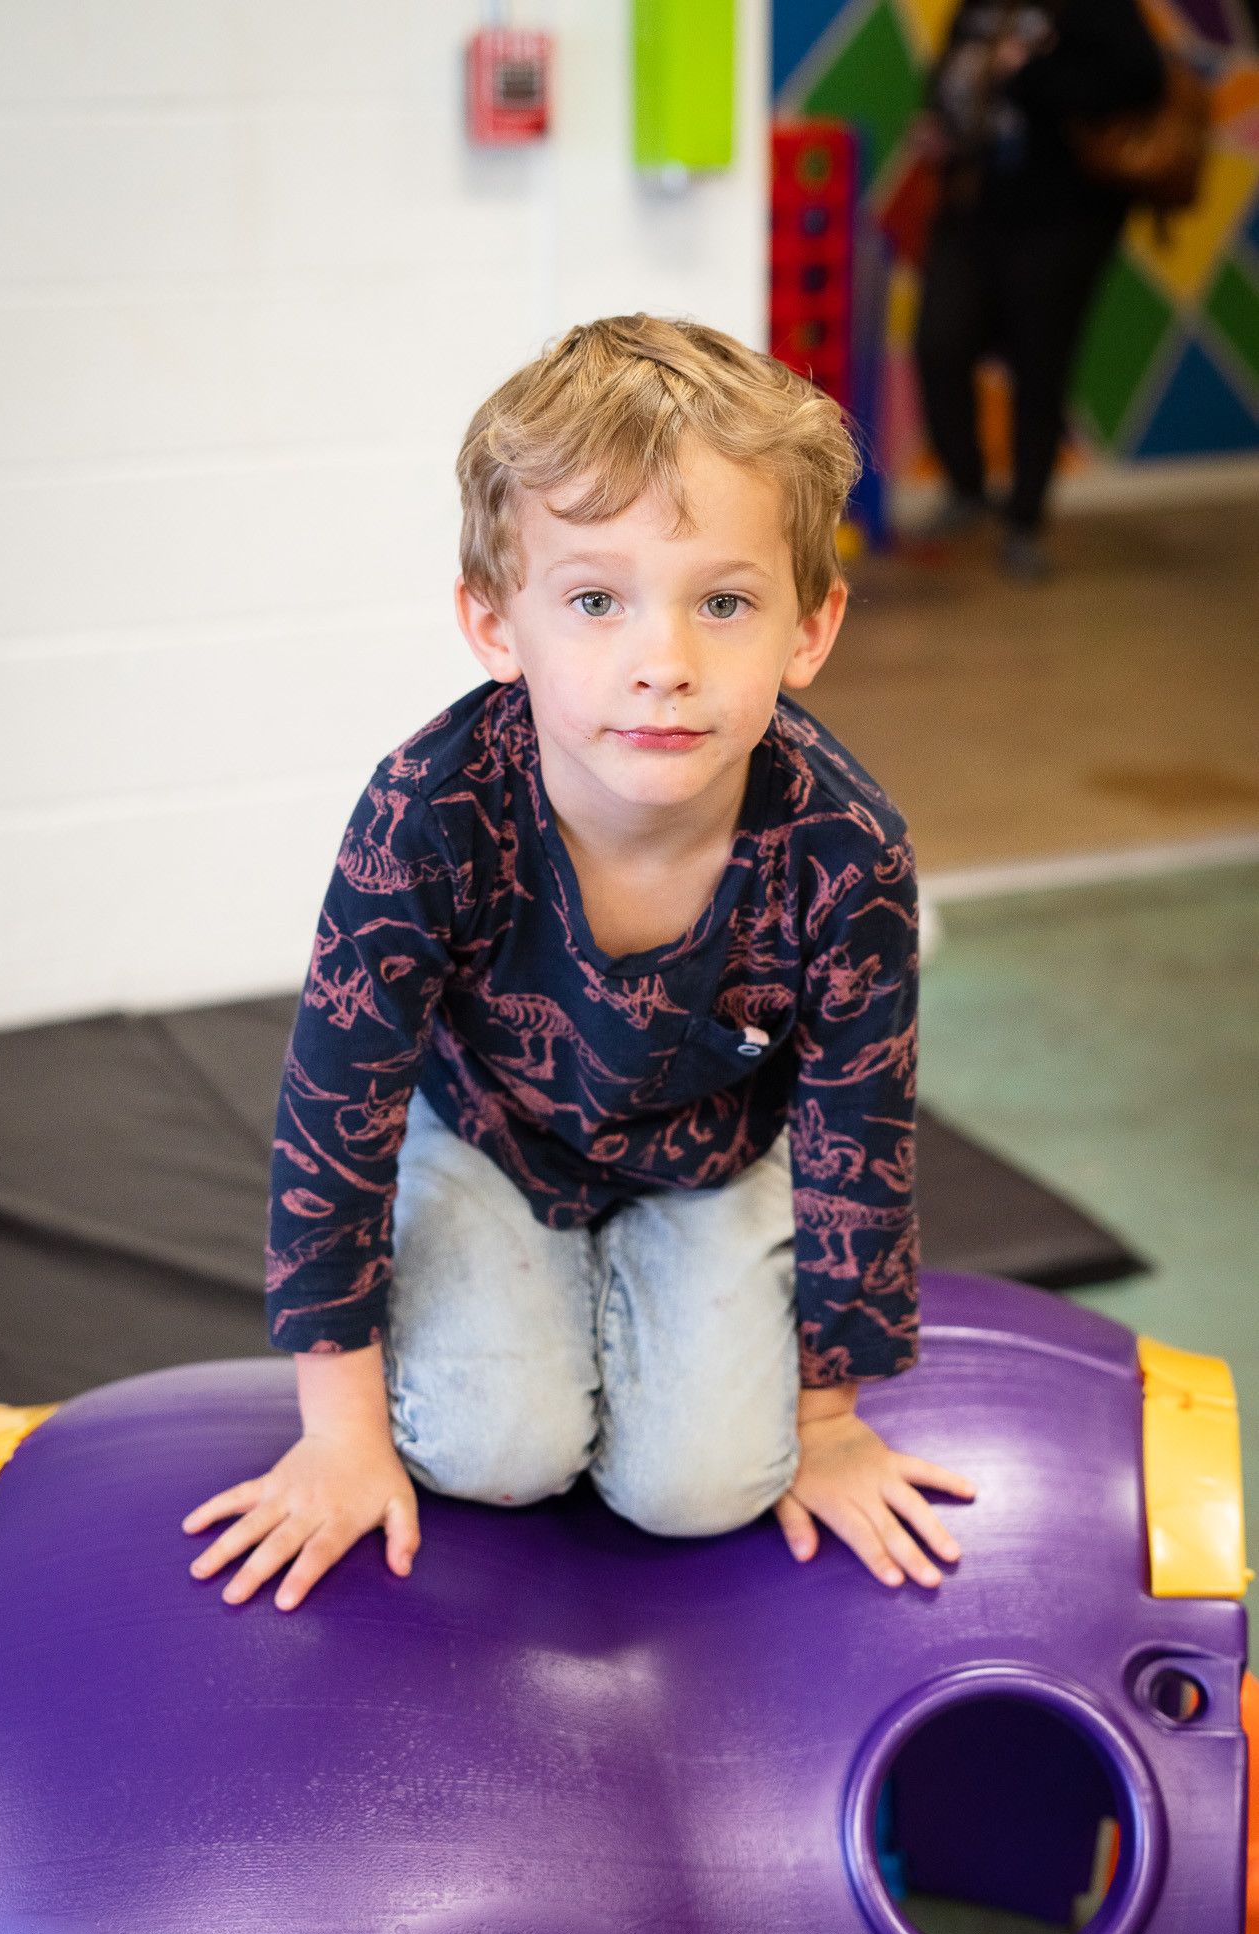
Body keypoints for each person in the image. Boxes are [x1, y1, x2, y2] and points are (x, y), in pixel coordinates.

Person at [181, 313, 976, 1610]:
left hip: (709, 1148)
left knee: (700, 1491)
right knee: (495, 1452)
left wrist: (826, 1426)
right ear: (495, 627)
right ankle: (543, 1289)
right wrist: (338, 1433)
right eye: (595, 601)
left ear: (809, 630)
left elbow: (860, 1132)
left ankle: (657, 1288)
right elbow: (332, 1119)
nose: (660, 664)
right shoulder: (424, 815)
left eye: (722, 603)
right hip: (490, 1130)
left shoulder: (847, 848)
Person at [913, 0, 1166, 580]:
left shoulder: (1092, 10)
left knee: (1040, 367)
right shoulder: (977, 8)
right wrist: (940, 122)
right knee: (939, 342)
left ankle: (1025, 524)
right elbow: (950, 75)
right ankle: (967, 488)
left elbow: (1138, 79)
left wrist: (1028, 74)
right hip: (972, 206)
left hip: (1062, 219)